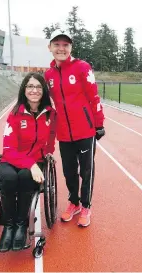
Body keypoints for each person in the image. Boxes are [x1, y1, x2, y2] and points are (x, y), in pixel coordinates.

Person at [44, 30, 105, 227]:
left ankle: (86, 206)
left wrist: (99, 123)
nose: (61, 48)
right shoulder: (49, 75)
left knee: (86, 171)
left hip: (85, 131)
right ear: (50, 48)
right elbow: (46, 102)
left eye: (65, 45)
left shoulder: (82, 67)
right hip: (63, 133)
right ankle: (74, 202)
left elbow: (94, 97)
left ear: (71, 48)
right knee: (69, 171)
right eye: (57, 44)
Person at [0, 72, 56, 252]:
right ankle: (9, 225)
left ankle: (21, 225)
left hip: (36, 161)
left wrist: (48, 152)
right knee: (9, 178)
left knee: (25, 177)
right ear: (24, 89)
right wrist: (30, 164)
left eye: (38, 87)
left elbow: (51, 136)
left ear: (44, 91)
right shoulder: (15, 114)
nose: (34, 90)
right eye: (30, 86)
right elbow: (8, 149)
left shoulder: (50, 114)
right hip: (11, 160)